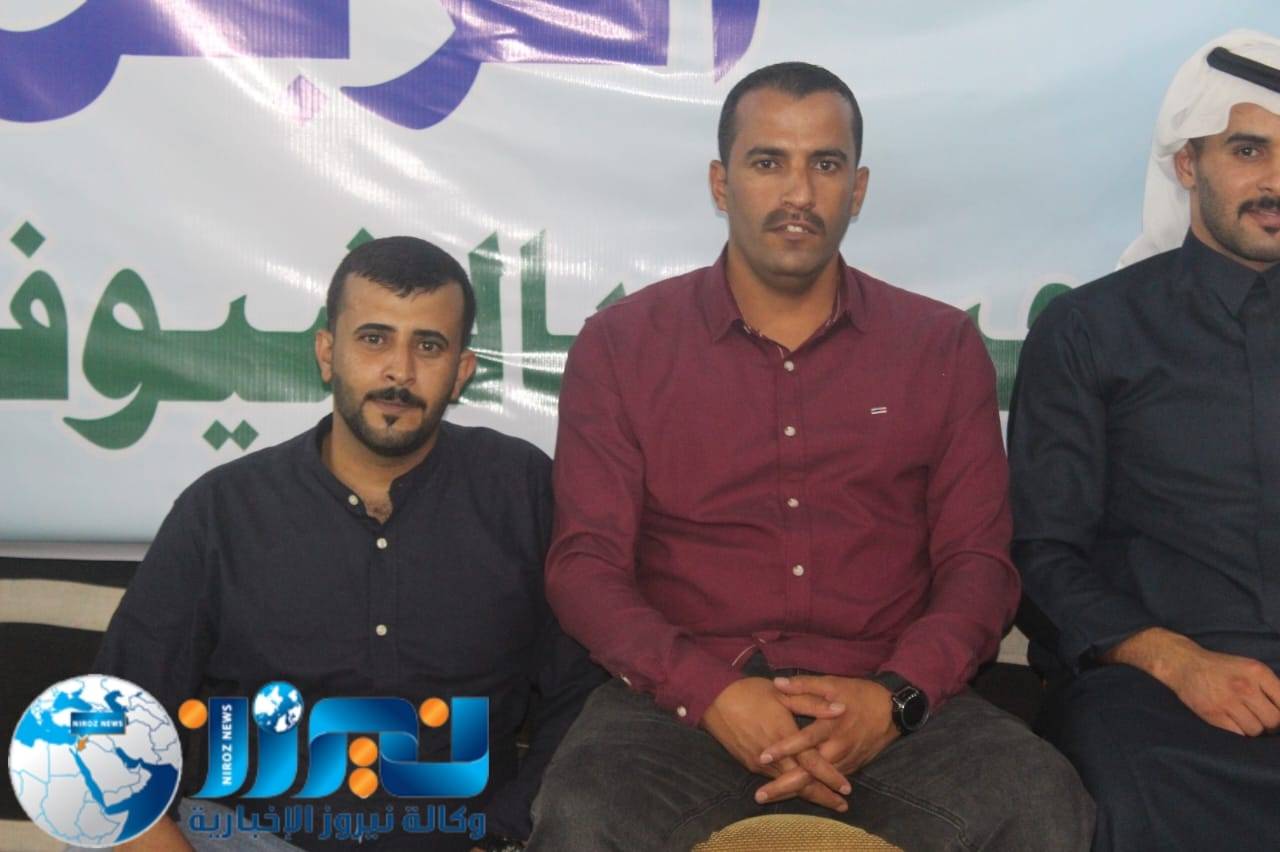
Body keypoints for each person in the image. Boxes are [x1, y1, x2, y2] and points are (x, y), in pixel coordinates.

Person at [530, 61, 1093, 851]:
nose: (798, 193)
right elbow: (584, 567)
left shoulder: (938, 347)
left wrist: (894, 700)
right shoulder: (622, 346)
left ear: (857, 190)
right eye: (768, 162)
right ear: (721, 184)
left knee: (1041, 802)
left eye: (824, 165)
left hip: (892, 707)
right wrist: (713, 695)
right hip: (679, 711)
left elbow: (979, 567)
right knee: (585, 814)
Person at [95, 236, 603, 851]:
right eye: (374, 339)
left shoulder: (520, 494)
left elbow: (583, 699)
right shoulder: (223, 511)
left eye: (428, 346)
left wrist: (507, 834)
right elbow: (113, 726)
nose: (399, 371)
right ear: (327, 353)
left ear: (462, 372)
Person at [1009, 30, 1280, 852]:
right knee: (1137, 794)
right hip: (1160, 697)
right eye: (1249, 150)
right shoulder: (1090, 330)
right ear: (1187, 164)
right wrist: (1176, 662)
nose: (1276, 181)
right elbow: (1042, 557)